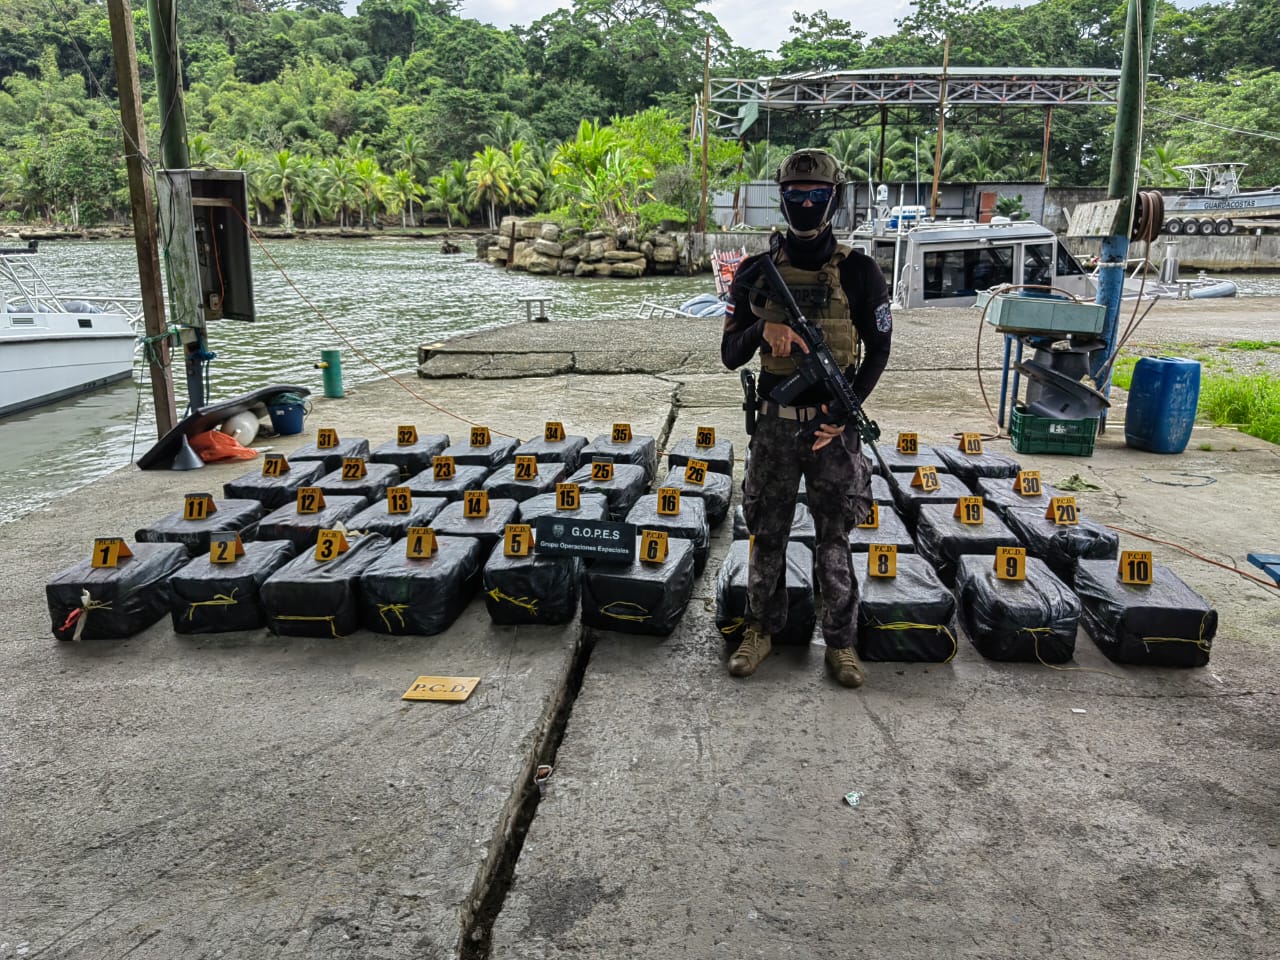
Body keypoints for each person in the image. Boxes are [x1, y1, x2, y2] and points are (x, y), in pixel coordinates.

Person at [721, 148, 893, 688]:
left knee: (834, 538)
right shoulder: (754, 273)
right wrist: (762, 332)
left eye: (816, 196)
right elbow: (729, 353)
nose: (805, 205)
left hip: (831, 431)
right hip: (774, 424)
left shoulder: (861, 272)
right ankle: (760, 629)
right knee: (766, 534)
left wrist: (844, 414)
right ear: (782, 199)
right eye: (795, 197)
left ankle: (840, 642)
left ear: (834, 199)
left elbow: (879, 350)